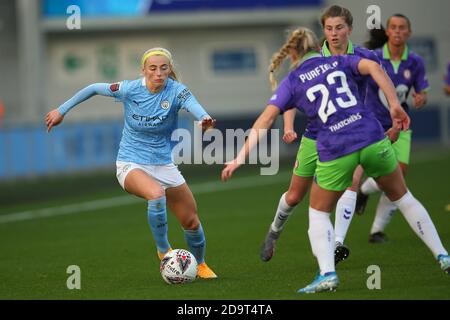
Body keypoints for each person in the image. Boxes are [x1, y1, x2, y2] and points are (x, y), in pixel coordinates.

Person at [222, 28, 449, 293]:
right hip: (368, 134)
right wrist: (395, 105)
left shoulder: (293, 79)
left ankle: (328, 272)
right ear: (318, 46)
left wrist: (239, 157)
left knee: (318, 211)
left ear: (292, 53)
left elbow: (265, 118)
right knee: (401, 197)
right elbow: (376, 68)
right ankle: (443, 256)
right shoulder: (338, 60)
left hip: (335, 142)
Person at [45, 47, 218, 279]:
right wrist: (62, 110)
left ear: (170, 69)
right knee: (156, 194)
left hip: (164, 164)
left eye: (163, 68)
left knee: (191, 221)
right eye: (153, 68)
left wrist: (204, 119)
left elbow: (197, 108)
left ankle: (201, 265)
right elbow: (94, 88)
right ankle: (164, 250)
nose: (158, 73)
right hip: (130, 163)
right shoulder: (129, 89)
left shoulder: (177, 91)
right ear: (144, 70)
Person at [260, 5, 388, 265]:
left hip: (351, 131)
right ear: (323, 31)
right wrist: (287, 127)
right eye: (328, 28)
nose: (333, 33)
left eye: (339, 27)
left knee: (352, 181)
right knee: (295, 195)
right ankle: (274, 232)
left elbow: (380, 92)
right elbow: (291, 97)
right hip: (316, 135)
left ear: (349, 29)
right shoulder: (315, 57)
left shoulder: (362, 57)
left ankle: (337, 242)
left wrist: (391, 119)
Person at [355, 15, 430, 244]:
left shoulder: (415, 61)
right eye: (393, 27)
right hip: (374, 125)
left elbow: (422, 91)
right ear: (387, 32)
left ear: (408, 32)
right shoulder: (375, 57)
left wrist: (420, 97)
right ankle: (369, 218)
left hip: (401, 125)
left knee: (399, 176)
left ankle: (373, 220)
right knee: (387, 177)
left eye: (402, 28)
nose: (397, 31)